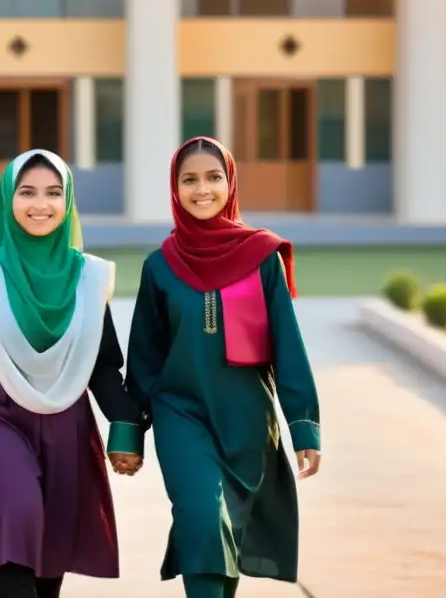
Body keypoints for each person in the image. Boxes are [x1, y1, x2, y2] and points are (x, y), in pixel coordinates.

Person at [0, 149, 145, 598]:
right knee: (18, 511)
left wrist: (126, 431)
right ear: (8, 199)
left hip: (65, 416)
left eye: (53, 193)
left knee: (53, 537)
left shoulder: (89, 277)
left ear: (68, 203)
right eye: (27, 192)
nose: (40, 204)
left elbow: (102, 363)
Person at [125, 136, 322, 598]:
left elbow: (288, 349)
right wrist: (128, 435)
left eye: (213, 178)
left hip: (246, 421)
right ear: (175, 188)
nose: (202, 190)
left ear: (229, 182)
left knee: (225, 529)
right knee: (200, 515)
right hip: (181, 415)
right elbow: (143, 360)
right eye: (189, 179)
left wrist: (304, 426)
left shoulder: (262, 258)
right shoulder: (159, 267)